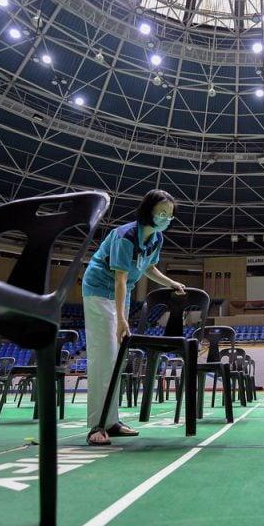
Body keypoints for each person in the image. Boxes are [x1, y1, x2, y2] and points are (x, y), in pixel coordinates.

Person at [82, 189, 186, 446]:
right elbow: (120, 278)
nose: (165, 218)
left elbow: (148, 268)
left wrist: (171, 282)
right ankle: (97, 424)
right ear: (148, 210)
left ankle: (112, 421)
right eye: (161, 213)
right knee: (103, 356)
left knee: (116, 357)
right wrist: (121, 318)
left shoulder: (156, 238)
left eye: (169, 215)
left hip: (121, 295)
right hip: (99, 291)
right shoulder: (126, 235)